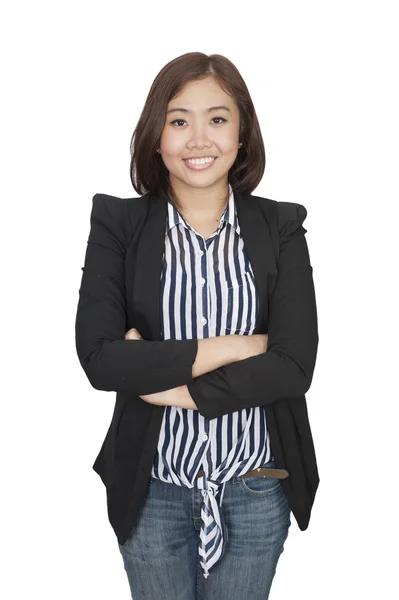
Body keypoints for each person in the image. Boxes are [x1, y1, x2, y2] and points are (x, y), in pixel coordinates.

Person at [75, 51, 320, 600]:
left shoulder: (281, 226)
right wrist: (238, 347)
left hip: (256, 487)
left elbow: (293, 367)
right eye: (179, 120)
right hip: (153, 487)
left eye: (217, 118)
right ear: (156, 134)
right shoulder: (118, 224)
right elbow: (101, 359)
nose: (198, 139)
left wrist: (172, 390)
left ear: (241, 133)